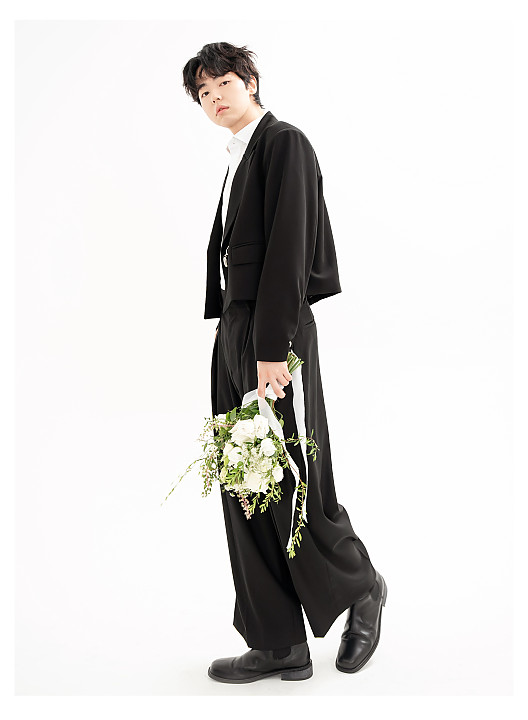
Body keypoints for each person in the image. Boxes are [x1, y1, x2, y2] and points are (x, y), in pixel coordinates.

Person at [182, 42, 387, 683]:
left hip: (274, 333)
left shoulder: (283, 143)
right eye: (202, 93)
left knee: (295, 478)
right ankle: (278, 643)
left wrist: (273, 349)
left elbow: (290, 247)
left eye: (222, 83)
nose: (213, 98)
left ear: (249, 81)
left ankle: (361, 585)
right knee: (246, 480)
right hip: (235, 329)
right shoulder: (237, 156)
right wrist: (238, 338)